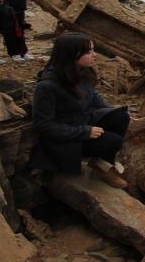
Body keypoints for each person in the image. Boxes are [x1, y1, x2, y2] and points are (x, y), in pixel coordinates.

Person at [28, 32, 129, 188]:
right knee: (113, 141)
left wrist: (112, 111)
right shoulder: (47, 86)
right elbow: (43, 125)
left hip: (79, 121)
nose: (94, 55)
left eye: (93, 50)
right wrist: (84, 132)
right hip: (63, 138)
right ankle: (87, 164)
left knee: (121, 116)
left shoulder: (81, 72)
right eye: (89, 52)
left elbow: (93, 97)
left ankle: (101, 166)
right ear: (72, 54)